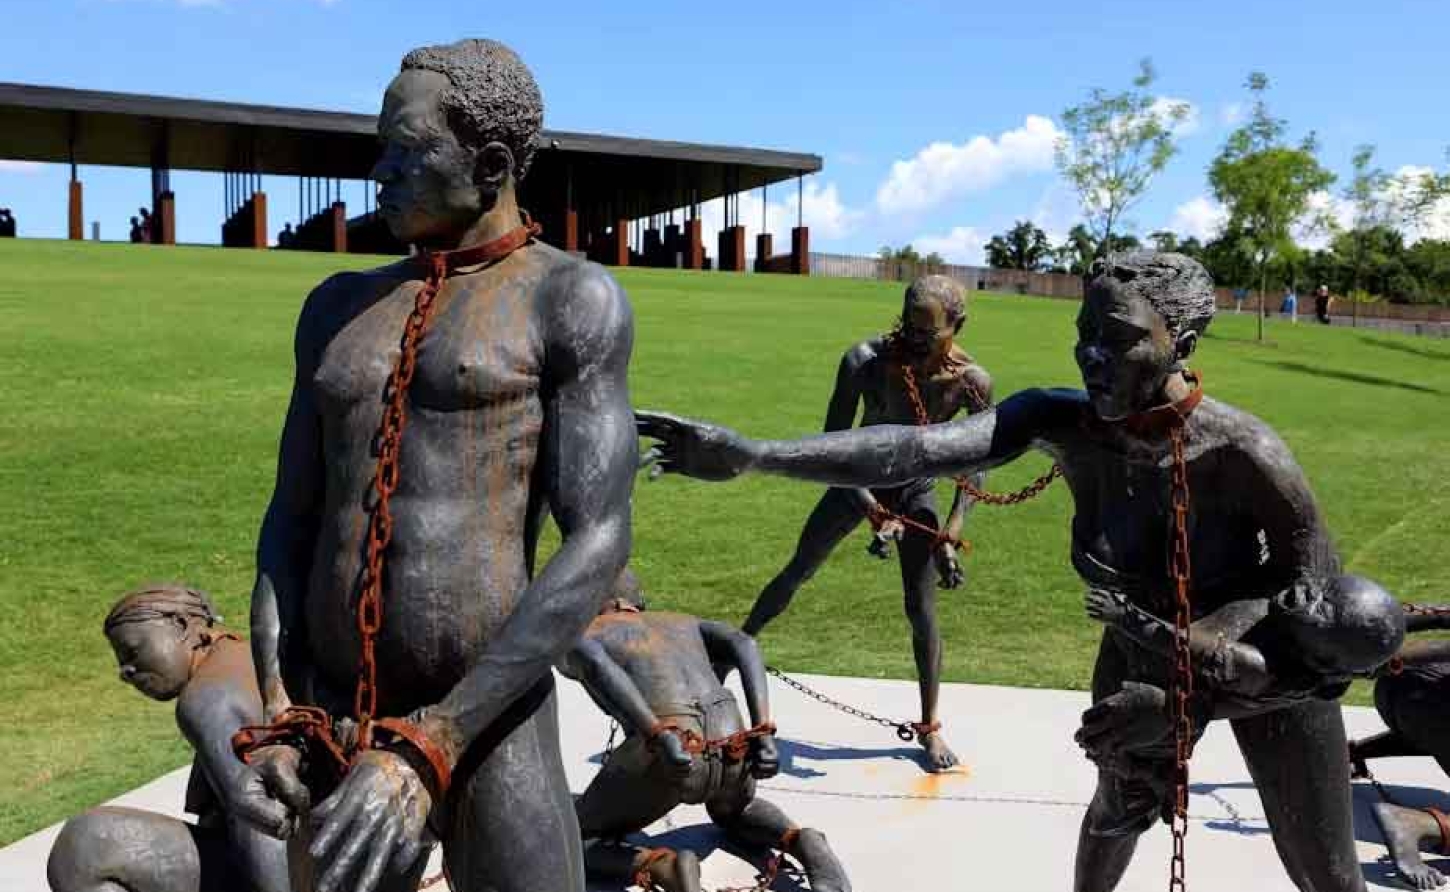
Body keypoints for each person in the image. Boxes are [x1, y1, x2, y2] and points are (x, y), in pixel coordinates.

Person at [638, 251, 1402, 892]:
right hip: (1141, 652)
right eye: (1084, 334)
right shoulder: (1061, 422)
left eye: (1121, 338)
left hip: (1260, 659)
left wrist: (1187, 706)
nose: (1092, 355)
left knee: (1327, 874)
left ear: (1184, 340)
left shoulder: (1246, 454)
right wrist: (756, 456)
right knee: (1114, 813)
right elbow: (914, 449)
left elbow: (1327, 659)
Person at [239, 38, 635, 892]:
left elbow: (597, 539)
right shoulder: (338, 306)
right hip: (334, 718)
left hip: (491, 716)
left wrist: (439, 739)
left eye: (406, 150)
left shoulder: (569, 299)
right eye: (380, 147)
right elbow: (290, 518)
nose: (379, 173)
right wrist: (279, 705)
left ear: (490, 164)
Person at [741, 274, 991, 772]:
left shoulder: (970, 382)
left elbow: (977, 458)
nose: (913, 341)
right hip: (855, 479)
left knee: (921, 610)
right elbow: (831, 446)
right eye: (908, 328)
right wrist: (870, 507)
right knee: (799, 569)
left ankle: (929, 727)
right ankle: (731, 651)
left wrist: (952, 530)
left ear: (957, 326)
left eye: (928, 334)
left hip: (917, 489)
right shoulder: (866, 361)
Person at [560, 570, 850, 892]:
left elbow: (594, 662)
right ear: (640, 601)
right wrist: (762, 730)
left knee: (567, 837)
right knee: (738, 810)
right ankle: (800, 840)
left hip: (670, 744)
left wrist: (657, 734)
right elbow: (744, 642)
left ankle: (663, 866)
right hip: (731, 735)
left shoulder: (587, 633)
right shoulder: (681, 621)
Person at [47, 584, 288, 892]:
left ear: (181, 625)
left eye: (133, 652)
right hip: (306, 857)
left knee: (87, 845)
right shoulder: (242, 658)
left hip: (291, 870)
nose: (125, 671)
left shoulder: (207, 699)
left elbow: (260, 823)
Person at [1349, 604, 1450, 891]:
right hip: (1424, 697)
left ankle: (1351, 753)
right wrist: (1396, 657)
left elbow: (1440, 616)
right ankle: (1412, 823)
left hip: (1400, 691)